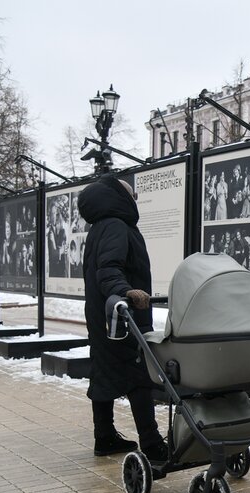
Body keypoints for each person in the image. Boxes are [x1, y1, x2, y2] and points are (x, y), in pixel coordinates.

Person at [78, 175, 167, 460]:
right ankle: (152, 444)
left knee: (104, 373)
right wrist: (126, 292)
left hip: (103, 314)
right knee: (138, 377)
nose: (135, 199)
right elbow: (108, 269)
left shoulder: (101, 226)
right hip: (122, 314)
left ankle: (104, 437)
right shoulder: (116, 226)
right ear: (118, 197)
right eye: (132, 194)